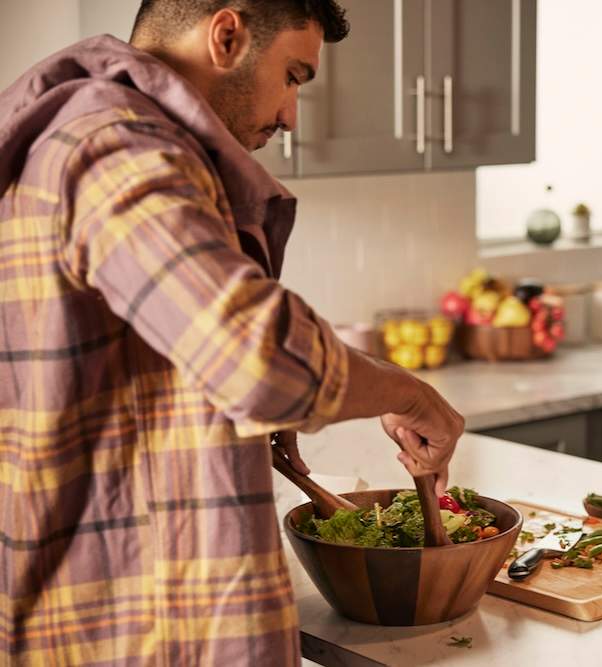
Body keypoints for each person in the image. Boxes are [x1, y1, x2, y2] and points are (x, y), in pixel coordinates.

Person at [0, 1, 464, 664]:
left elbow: (143, 365)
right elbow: (257, 356)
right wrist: (409, 394)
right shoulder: (118, 146)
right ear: (226, 36)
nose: (291, 115)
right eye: (293, 76)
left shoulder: (85, 138)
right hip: (138, 627)